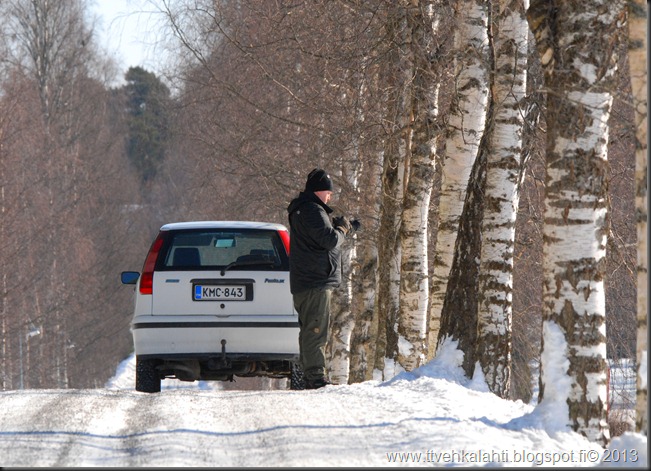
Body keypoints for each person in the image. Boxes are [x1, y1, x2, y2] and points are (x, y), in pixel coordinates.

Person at [287, 168, 353, 389]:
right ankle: (315, 376)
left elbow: (318, 238)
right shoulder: (312, 210)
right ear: (318, 190)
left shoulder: (303, 209)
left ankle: (307, 373)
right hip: (315, 281)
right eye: (328, 191)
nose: (330, 196)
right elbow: (328, 240)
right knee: (316, 329)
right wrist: (342, 230)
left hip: (306, 280)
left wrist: (341, 229)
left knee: (309, 328)